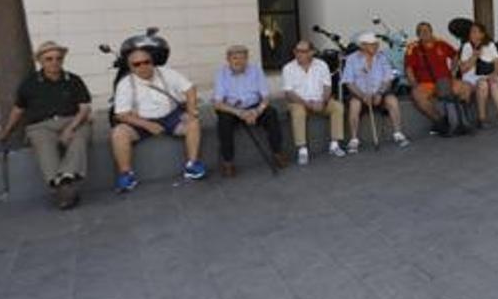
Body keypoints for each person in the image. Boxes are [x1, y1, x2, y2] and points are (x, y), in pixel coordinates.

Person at [0, 41, 92, 209]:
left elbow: (84, 108)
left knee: (81, 135)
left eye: (58, 58)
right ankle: (63, 187)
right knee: (43, 142)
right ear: (40, 61)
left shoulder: (74, 80)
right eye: (49, 59)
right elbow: (18, 109)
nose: (54, 62)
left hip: (71, 120)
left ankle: (66, 178)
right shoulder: (29, 83)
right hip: (41, 125)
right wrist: (6, 131)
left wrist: (71, 128)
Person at [110, 48, 206, 192]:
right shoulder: (125, 84)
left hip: (170, 116)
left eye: (146, 62)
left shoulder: (166, 73)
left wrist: (191, 110)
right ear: (130, 67)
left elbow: (190, 89)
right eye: (137, 64)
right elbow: (121, 114)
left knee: (193, 122)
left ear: (152, 62)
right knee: (118, 132)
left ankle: (192, 164)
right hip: (141, 121)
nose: (143, 66)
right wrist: (147, 124)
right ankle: (126, 174)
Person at [213, 44, 288, 176]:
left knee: (271, 113)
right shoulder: (221, 73)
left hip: (254, 107)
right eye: (234, 58)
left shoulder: (256, 70)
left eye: (242, 58)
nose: (238, 61)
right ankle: (228, 162)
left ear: (247, 59)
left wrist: (257, 111)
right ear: (228, 59)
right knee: (223, 121)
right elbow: (218, 103)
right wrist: (240, 113)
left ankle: (278, 153)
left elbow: (265, 97)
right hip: (232, 109)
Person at [282, 39, 346, 164]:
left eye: (303, 51)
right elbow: (289, 93)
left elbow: (327, 87)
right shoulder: (288, 68)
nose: (298, 54)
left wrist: (323, 101)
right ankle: (302, 149)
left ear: (312, 52)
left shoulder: (321, 65)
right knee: (298, 112)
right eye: (297, 51)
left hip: (319, 101)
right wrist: (307, 104)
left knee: (337, 107)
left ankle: (334, 144)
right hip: (298, 102)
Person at [343, 32, 410, 150]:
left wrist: (380, 92)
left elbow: (388, 78)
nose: (376, 47)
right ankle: (354, 139)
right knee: (354, 105)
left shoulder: (381, 57)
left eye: (376, 44)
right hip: (360, 93)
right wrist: (363, 95)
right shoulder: (352, 59)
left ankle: (398, 133)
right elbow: (349, 82)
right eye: (372, 45)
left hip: (379, 92)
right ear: (363, 46)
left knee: (392, 100)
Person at [404, 21, 470, 135]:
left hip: (446, 81)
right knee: (417, 95)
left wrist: (453, 72)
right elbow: (409, 68)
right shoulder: (413, 47)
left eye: (427, 30)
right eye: (421, 31)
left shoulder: (441, 43)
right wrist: (414, 84)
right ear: (417, 34)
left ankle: (461, 120)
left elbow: (455, 56)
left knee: (466, 88)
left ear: (431, 31)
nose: (425, 33)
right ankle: (440, 121)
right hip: (426, 83)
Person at [458, 21, 498, 130]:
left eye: (476, 32)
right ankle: (482, 118)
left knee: (494, 84)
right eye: (471, 32)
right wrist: (474, 57)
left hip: (489, 74)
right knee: (482, 85)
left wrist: (495, 74)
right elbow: (463, 69)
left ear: (482, 34)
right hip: (471, 77)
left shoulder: (490, 45)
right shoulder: (467, 46)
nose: (473, 35)